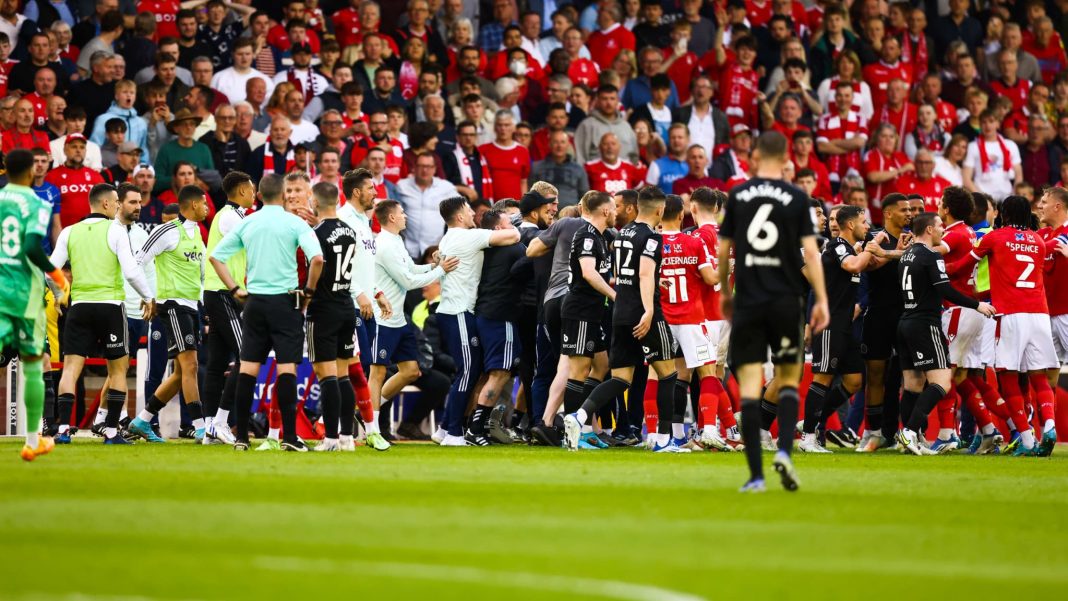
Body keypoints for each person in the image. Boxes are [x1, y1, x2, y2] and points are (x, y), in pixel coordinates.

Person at [717, 131, 829, 492]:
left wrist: (725, 291)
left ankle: (755, 476)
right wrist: (822, 300)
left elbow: (724, 251)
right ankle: (784, 452)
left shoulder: (738, 195)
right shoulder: (797, 197)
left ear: (753, 156)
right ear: (785, 160)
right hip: (785, 302)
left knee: (750, 386)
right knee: (788, 378)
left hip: (748, 300)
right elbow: (811, 255)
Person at [208, 173, 325, 452]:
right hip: (285, 302)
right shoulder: (294, 222)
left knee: (248, 367)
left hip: (255, 302)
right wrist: (307, 292)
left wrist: (235, 288)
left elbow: (216, 257)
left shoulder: (248, 221)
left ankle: (241, 438)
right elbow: (318, 259)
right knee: (286, 368)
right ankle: (289, 438)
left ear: (258, 195)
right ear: (284, 195)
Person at [949, 196, 1059, 456]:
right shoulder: (1038, 241)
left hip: (1010, 314)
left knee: (1007, 377)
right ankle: (1050, 425)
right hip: (1040, 314)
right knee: (1038, 375)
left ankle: (1028, 441)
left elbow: (960, 268)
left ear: (1004, 214)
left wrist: (928, 262)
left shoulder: (994, 238)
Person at [50, 183, 156, 445]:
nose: (119, 206)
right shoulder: (116, 230)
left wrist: (58, 295)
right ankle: (110, 431)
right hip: (110, 307)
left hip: (80, 307)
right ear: (107, 204)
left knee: (71, 368)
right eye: (117, 201)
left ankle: (63, 428)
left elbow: (50, 269)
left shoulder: (69, 231)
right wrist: (148, 297)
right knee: (118, 370)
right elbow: (131, 272)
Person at [894, 211, 995, 456]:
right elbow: (944, 289)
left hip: (905, 323)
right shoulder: (930, 256)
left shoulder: (905, 255)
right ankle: (910, 432)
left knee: (913, 385)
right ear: (929, 229)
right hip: (925, 324)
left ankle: (910, 439)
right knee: (941, 382)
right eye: (940, 226)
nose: (942, 230)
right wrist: (976, 305)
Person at [369, 200, 458, 447]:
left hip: (398, 320)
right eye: (401, 213)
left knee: (410, 370)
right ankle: (372, 428)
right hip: (382, 319)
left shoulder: (396, 241)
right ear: (391, 218)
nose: (406, 216)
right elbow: (408, 282)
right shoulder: (384, 245)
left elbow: (411, 268)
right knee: (377, 372)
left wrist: (434, 265)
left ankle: (365, 412)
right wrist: (441, 271)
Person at [126, 184, 210, 443]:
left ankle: (142, 419)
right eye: (204, 203)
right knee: (191, 366)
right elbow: (135, 263)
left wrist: (204, 309)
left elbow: (202, 275)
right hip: (172, 306)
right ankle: (200, 427)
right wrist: (148, 296)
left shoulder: (196, 233)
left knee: (180, 372)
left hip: (191, 307)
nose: (207, 207)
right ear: (193, 204)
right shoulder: (166, 231)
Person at [434, 196, 521, 446]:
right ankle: (453, 433)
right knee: (468, 372)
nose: (474, 213)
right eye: (468, 210)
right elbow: (512, 237)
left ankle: (444, 429)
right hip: (458, 312)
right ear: (459, 216)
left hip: (456, 311)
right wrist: (516, 222)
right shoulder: (466, 236)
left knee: (470, 372)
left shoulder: (450, 238)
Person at [0, 150, 68, 461]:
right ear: (31, 172)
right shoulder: (38, 203)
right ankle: (32, 441)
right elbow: (30, 246)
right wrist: (57, 276)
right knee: (33, 362)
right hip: (25, 293)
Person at [800, 205, 877, 453]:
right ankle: (808, 437)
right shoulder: (838, 246)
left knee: (854, 381)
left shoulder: (850, 249)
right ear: (852, 225)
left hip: (845, 325)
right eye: (864, 222)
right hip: (830, 324)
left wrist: (899, 252)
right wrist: (873, 249)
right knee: (822, 378)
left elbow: (868, 261)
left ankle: (813, 420)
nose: (867, 226)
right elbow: (855, 266)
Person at [654, 193, 726, 450]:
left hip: (660, 316)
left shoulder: (651, 243)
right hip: (692, 317)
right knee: (708, 371)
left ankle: (660, 434)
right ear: (683, 214)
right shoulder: (693, 242)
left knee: (660, 375)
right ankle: (708, 428)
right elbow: (710, 278)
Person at [555, 190, 622, 450]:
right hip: (580, 310)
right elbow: (589, 273)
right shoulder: (586, 235)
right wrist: (615, 296)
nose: (616, 212)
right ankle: (573, 434)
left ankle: (580, 423)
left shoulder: (598, 236)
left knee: (602, 364)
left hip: (593, 311)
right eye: (614, 208)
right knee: (579, 371)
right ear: (605, 211)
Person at [199, 170, 255, 446]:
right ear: (242, 191)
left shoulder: (233, 215)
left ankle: (211, 427)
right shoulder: (232, 217)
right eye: (252, 189)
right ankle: (220, 421)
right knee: (246, 356)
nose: (254, 193)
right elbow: (254, 243)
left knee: (217, 362)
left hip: (219, 292)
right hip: (223, 293)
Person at [302, 182, 359, 452]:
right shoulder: (349, 230)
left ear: (314, 201)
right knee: (343, 374)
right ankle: (347, 437)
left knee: (327, 376)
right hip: (346, 305)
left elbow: (317, 262)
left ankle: (331, 439)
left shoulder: (315, 233)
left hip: (323, 309)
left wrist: (308, 294)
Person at [395, 151, 459, 259]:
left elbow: (463, 210)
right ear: (414, 167)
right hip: (408, 249)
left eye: (428, 166)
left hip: (434, 251)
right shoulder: (402, 186)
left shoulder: (446, 188)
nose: (425, 170)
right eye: (421, 166)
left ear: (434, 169)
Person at [962, 109, 1024, 201]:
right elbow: (966, 178)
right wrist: (982, 199)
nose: (988, 126)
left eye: (991, 121)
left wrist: (1014, 196)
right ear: (980, 125)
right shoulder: (973, 146)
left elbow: (1018, 173)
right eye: (984, 122)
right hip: (983, 197)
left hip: (1007, 197)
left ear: (998, 124)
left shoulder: (1010, 145)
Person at [478, 110, 530, 201]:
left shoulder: (522, 151)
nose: (503, 128)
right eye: (500, 125)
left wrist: (524, 205)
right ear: (494, 127)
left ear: (514, 128)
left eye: (507, 125)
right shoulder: (483, 150)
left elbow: (523, 181)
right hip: (491, 207)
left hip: (515, 208)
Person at [529, 130, 588, 209]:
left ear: (568, 145)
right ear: (549, 145)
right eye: (555, 142)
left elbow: (585, 196)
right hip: (543, 215)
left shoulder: (578, 169)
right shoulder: (536, 167)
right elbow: (530, 194)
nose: (559, 146)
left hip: (571, 216)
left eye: (562, 142)